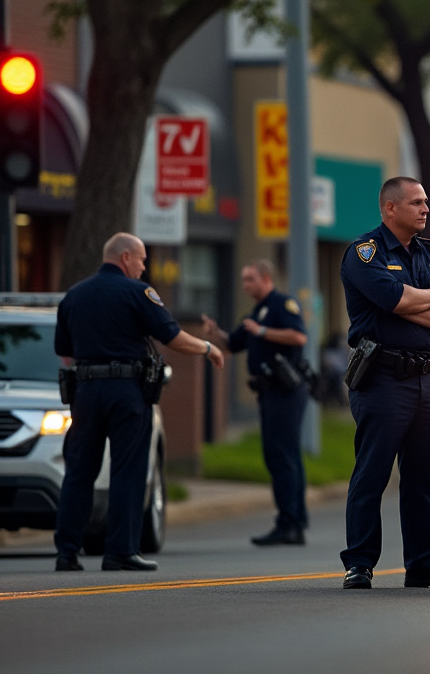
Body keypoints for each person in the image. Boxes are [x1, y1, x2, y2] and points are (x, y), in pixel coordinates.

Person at [53, 232, 224, 571]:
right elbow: (171, 337)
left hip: (85, 392)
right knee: (127, 470)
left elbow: (65, 351)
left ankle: (67, 552)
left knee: (79, 472)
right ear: (126, 257)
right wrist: (207, 347)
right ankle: (119, 551)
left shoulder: (74, 295)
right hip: (126, 392)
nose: (144, 267)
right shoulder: (137, 292)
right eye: (142, 259)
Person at [338, 176, 430, 590]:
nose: (425, 209)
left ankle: (425, 563)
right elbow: (393, 300)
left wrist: (408, 303)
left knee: (424, 478)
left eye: (426, 202)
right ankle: (359, 563)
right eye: (416, 203)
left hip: (426, 381)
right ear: (390, 208)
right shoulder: (364, 253)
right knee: (372, 475)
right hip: (382, 380)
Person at [201, 260, 310, 547]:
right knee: (284, 455)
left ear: (265, 278)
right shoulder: (256, 312)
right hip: (268, 392)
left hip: (285, 390)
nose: (245, 285)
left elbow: (298, 336)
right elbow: (233, 344)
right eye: (243, 280)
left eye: (249, 279)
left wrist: (262, 332)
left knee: (281, 456)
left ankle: (289, 523)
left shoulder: (282, 305)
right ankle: (295, 520)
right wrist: (215, 333)